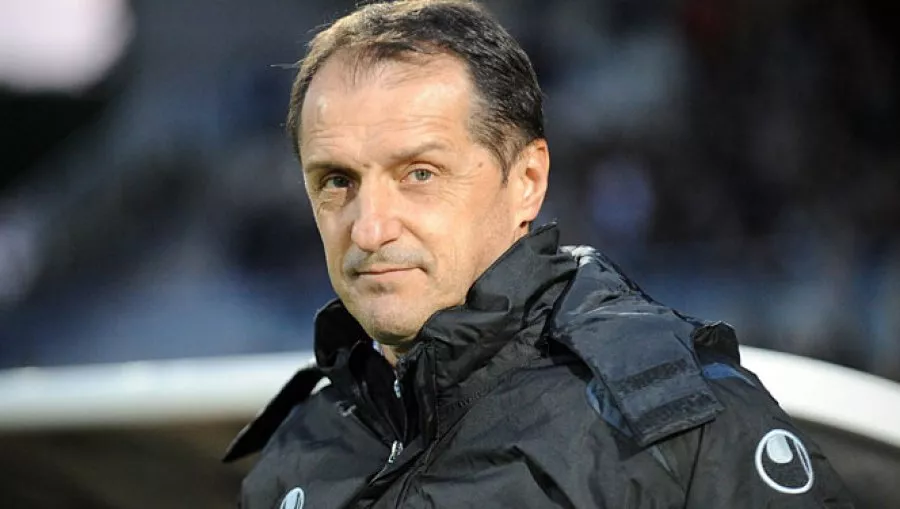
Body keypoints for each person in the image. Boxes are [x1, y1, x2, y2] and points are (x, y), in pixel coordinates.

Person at [224, 1, 854, 507]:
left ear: (527, 180)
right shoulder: (297, 454)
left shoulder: (676, 427)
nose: (368, 229)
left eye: (419, 173)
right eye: (337, 181)